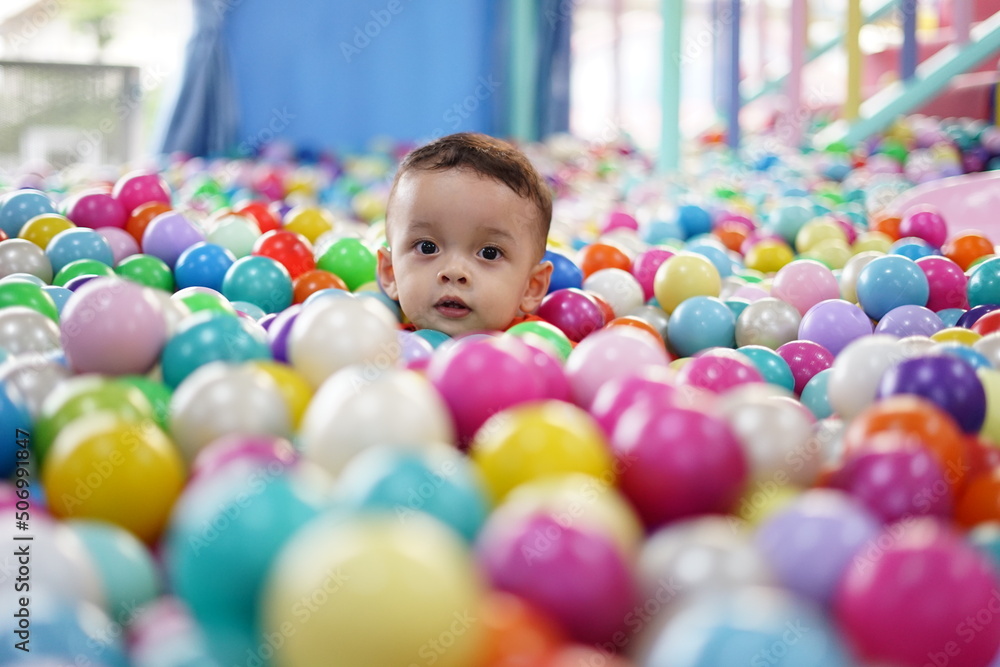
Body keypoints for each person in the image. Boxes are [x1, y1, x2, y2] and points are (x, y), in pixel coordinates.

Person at [376, 132, 553, 337]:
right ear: (390, 273)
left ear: (531, 286)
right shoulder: (383, 350)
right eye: (427, 247)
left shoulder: (539, 350)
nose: (454, 272)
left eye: (489, 253)